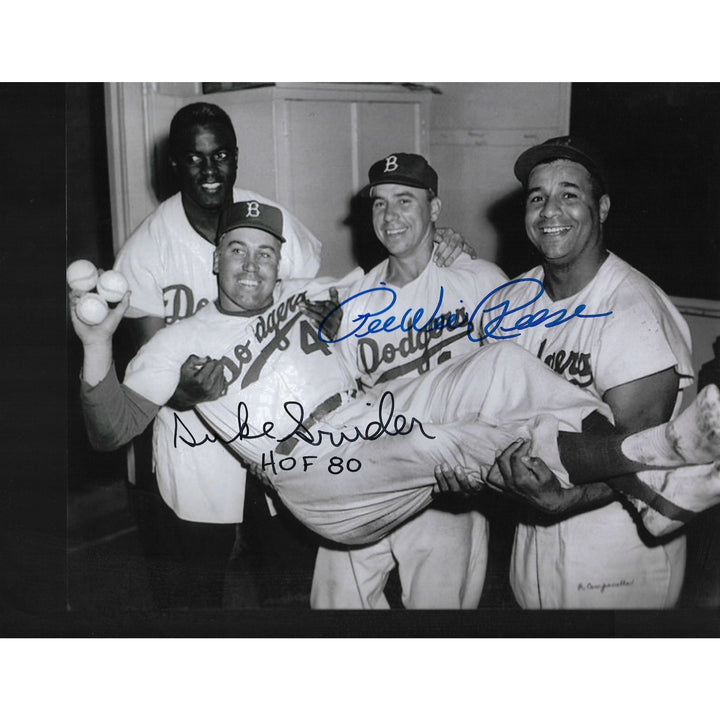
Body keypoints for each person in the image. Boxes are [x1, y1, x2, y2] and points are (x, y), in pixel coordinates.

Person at [72, 200, 720, 553]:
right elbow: (110, 432)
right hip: (312, 472)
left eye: (266, 254)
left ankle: (651, 481)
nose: (252, 266)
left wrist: (446, 248)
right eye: (237, 252)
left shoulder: (311, 294)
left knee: (497, 369)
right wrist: (98, 344)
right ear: (214, 262)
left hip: (369, 420)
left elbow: (398, 274)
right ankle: (655, 462)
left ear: (281, 265)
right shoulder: (180, 343)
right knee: (445, 442)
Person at [436, 136, 697, 609]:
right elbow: (480, 404)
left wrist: (565, 501)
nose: (549, 211)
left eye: (569, 195)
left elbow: (644, 450)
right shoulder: (511, 300)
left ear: (602, 207)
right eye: (537, 197)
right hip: (531, 545)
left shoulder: (631, 309)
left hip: (617, 553)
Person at [113, 102, 323, 608]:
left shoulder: (267, 219)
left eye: (221, 155)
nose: (210, 171)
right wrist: (183, 395)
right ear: (174, 165)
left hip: (275, 428)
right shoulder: (147, 249)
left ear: (236, 157)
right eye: (194, 158)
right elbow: (153, 365)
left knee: (290, 582)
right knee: (193, 594)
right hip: (193, 441)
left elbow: (310, 302)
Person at [310, 153, 508, 609]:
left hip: (450, 482)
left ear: (434, 210)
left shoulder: (478, 280)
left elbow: (516, 376)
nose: (390, 215)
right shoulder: (354, 300)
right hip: (375, 475)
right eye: (380, 203)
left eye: (405, 200)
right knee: (333, 605)